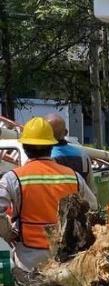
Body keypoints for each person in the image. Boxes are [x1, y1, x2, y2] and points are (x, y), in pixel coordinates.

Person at [0, 117, 98, 277]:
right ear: (51, 145)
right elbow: (93, 208)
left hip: (29, 259)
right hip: (66, 260)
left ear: (24, 147)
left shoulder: (13, 178)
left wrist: (8, 233)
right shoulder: (73, 177)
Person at [45, 113, 95, 190]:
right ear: (66, 132)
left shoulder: (46, 157)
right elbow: (91, 186)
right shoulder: (82, 154)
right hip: (80, 199)